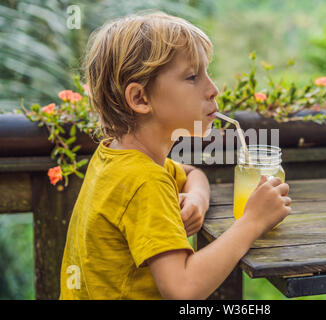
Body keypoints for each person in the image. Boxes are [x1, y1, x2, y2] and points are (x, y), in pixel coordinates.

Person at [59, 11, 291, 300]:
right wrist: (252, 222)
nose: (213, 89)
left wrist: (197, 199)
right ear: (140, 98)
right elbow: (182, 290)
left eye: (207, 72)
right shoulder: (145, 181)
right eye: (193, 76)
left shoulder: (117, 157)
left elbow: (193, 174)